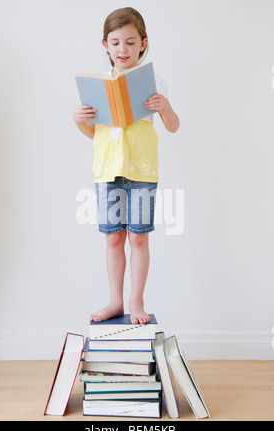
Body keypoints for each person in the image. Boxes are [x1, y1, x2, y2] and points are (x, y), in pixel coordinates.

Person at [74, 7, 179, 324]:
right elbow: (95, 135)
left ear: (143, 44)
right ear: (105, 45)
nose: (123, 49)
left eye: (131, 42)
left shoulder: (154, 82)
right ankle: (115, 301)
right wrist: (79, 121)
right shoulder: (99, 84)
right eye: (116, 42)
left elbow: (173, 126)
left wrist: (164, 107)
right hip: (108, 171)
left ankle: (136, 301)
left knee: (138, 237)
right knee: (113, 237)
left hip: (142, 172)